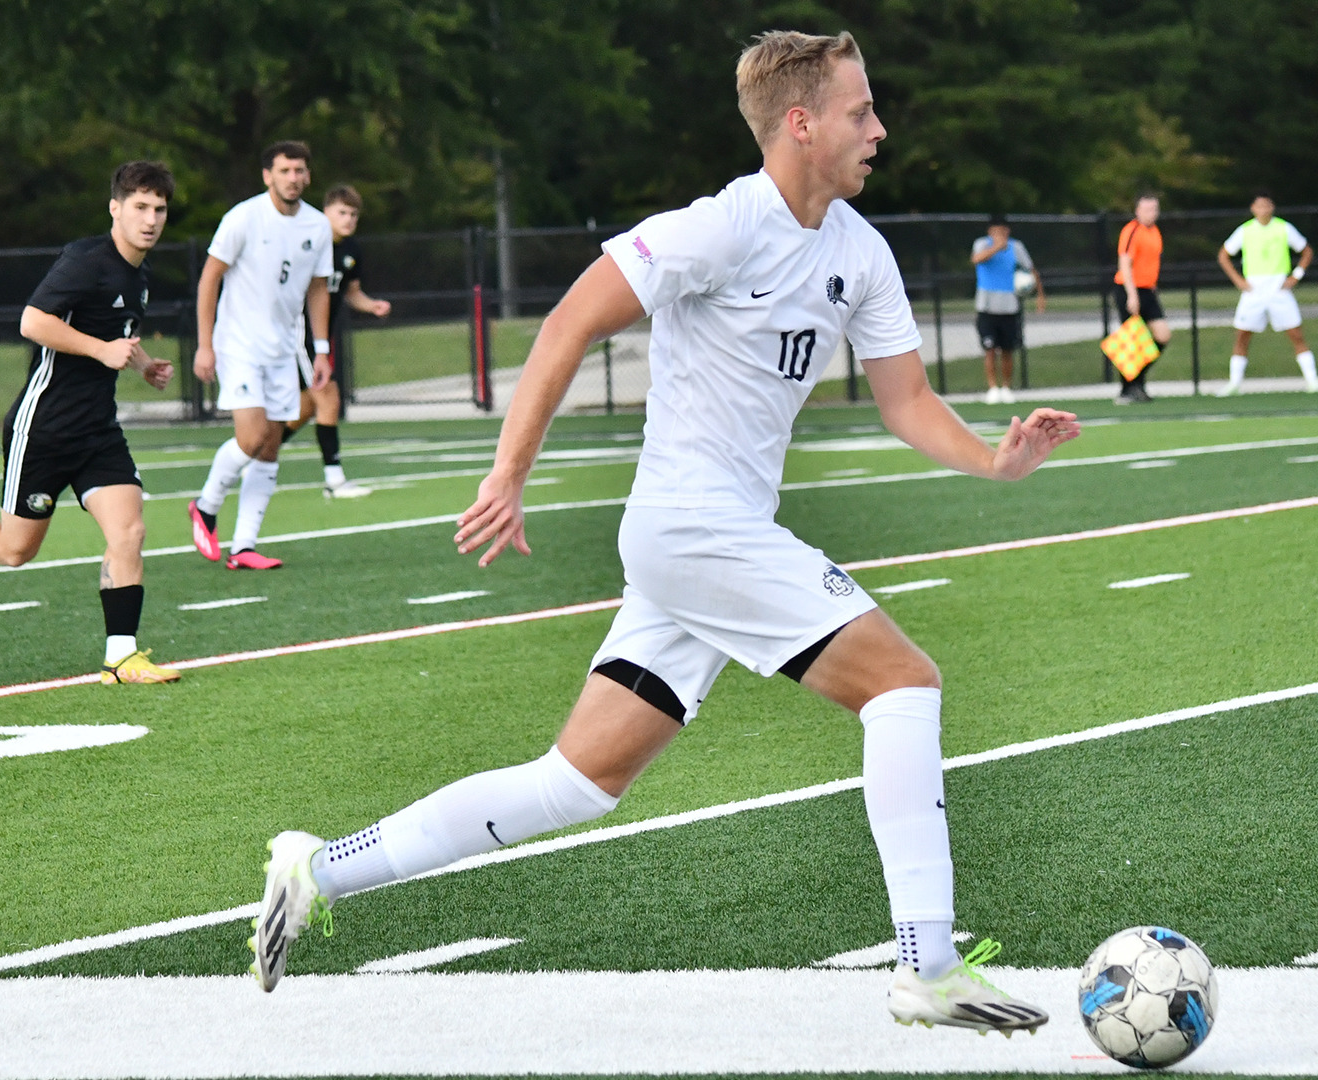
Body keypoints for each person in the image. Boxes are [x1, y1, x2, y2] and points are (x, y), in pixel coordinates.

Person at [246, 30, 1079, 1034]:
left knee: (579, 781)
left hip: (704, 547)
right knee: (904, 683)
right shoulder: (721, 228)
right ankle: (927, 964)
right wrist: (509, 472)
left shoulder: (861, 250)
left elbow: (905, 401)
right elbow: (567, 323)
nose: (880, 129)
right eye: (862, 112)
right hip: (693, 530)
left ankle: (316, 867)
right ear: (801, 124)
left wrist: (996, 457)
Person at [0, 162, 181, 685]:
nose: (151, 219)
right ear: (115, 208)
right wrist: (101, 350)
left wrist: (143, 364)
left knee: (129, 530)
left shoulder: (141, 273)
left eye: (159, 209)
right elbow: (33, 322)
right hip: (43, 427)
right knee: (14, 550)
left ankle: (120, 657)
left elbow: (119, 336)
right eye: (140, 207)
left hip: (98, 431)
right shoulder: (86, 260)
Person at [188, 141, 334, 569]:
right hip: (240, 345)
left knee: (270, 447)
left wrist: (320, 350)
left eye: (300, 170)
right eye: (285, 170)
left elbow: (318, 288)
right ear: (267, 175)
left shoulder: (318, 225)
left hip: (283, 350)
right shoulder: (244, 217)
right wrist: (205, 343)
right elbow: (209, 278)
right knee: (251, 438)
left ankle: (245, 546)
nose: (294, 178)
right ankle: (206, 505)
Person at [282, 183, 393, 499]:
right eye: (342, 212)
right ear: (325, 211)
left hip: (318, 338)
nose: (348, 219)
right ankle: (334, 480)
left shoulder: (352, 250)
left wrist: (371, 305)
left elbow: (351, 292)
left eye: (354, 214)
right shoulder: (308, 243)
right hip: (295, 334)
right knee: (328, 397)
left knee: (305, 407)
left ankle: (257, 455)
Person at [1214, 190, 1318, 396]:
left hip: (1279, 288)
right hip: (1253, 290)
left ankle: (1313, 382)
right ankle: (1234, 383)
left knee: (1295, 334)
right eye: (1259, 206)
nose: (1263, 210)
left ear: (1272, 207)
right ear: (1253, 209)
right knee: (1242, 335)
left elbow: (1306, 251)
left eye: (1267, 205)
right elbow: (1223, 255)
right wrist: (1238, 280)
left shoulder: (1283, 228)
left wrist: (1296, 276)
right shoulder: (1245, 230)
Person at [970, 212, 1043, 405]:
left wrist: (1040, 295)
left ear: (1007, 231)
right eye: (995, 231)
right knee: (989, 348)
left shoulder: (1016, 247)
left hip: (1009, 306)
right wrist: (996, 248)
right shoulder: (982, 244)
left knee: (1008, 349)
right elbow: (976, 260)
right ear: (990, 232)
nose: (1000, 234)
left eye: (1002, 231)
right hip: (986, 305)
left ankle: (1007, 387)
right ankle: (992, 388)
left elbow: (1031, 268)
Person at [1113, 193, 1170, 404]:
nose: (1151, 213)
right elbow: (1125, 263)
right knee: (1133, 342)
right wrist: (1132, 295)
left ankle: (1137, 381)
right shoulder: (1131, 230)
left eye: (1154, 209)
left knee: (1162, 336)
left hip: (1148, 290)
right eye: (1147, 209)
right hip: (1129, 289)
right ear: (1137, 211)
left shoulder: (1154, 232)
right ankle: (1127, 390)